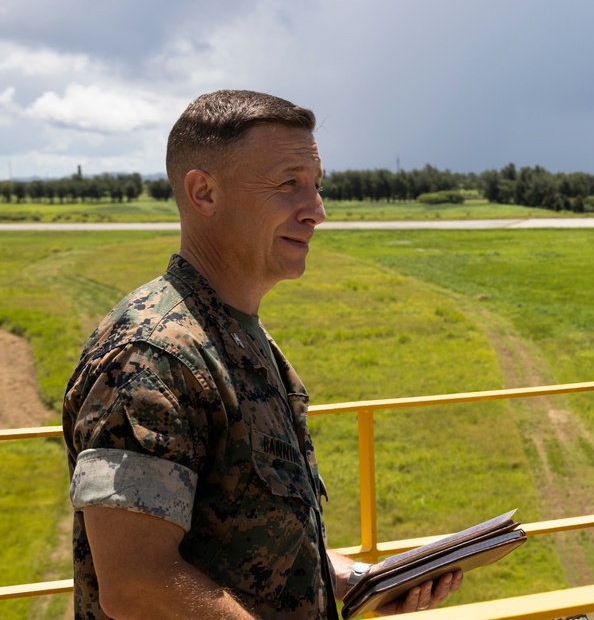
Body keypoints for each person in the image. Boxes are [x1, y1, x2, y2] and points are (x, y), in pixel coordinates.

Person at [62, 90, 462, 619]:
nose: (316, 211)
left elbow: (247, 538)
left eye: (317, 186)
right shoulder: (155, 355)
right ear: (204, 193)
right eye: (288, 184)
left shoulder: (235, 337)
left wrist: (364, 581)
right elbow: (137, 582)